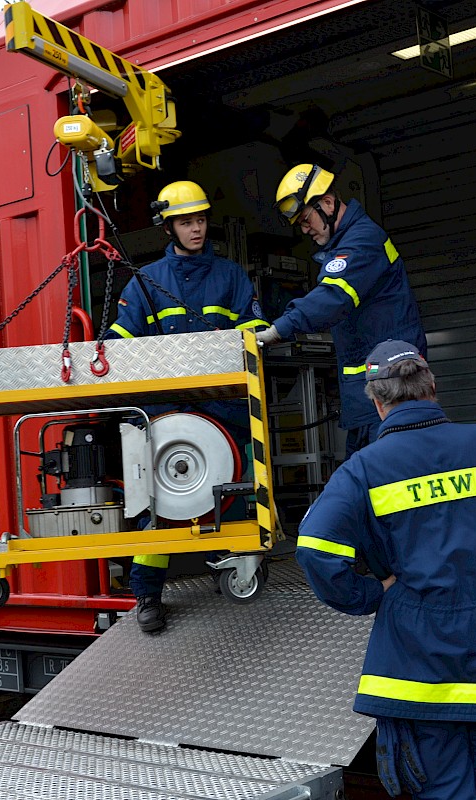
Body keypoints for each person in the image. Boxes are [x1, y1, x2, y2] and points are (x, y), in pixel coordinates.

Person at [296, 340, 476, 800]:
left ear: (378, 402)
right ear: (433, 388)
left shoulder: (364, 468)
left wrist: (372, 594)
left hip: (417, 665)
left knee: (442, 790)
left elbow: (315, 549)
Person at [107, 180, 266, 633]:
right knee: (154, 506)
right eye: (185, 222)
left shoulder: (231, 275)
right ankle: (149, 596)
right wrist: (93, 357)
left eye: (200, 220)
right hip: (163, 414)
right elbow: (124, 338)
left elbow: (253, 327)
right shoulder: (147, 280)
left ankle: (234, 566)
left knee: (232, 491)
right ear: (169, 227)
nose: (196, 229)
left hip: (225, 408)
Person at [259, 164, 427, 457]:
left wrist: (279, 330)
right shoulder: (348, 242)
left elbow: (334, 297)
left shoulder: (361, 240)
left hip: (392, 390)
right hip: (372, 391)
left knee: (388, 476)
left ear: (326, 203)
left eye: (307, 219)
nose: (305, 229)